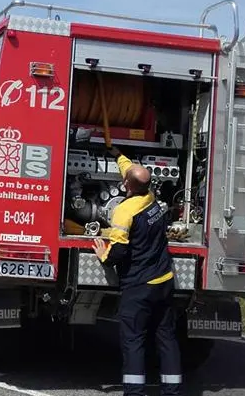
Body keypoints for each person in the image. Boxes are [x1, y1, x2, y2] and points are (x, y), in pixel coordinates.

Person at [91, 146, 182, 396]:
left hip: (139, 285)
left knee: (133, 340)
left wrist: (103, 255)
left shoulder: (124, 211)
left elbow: (118, 252)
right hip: (164, 281)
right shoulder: (151, 199)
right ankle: (171, 390)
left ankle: (134, 392)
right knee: (166, 337)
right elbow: (132, 172)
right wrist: (117, 154)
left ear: (125, 185)